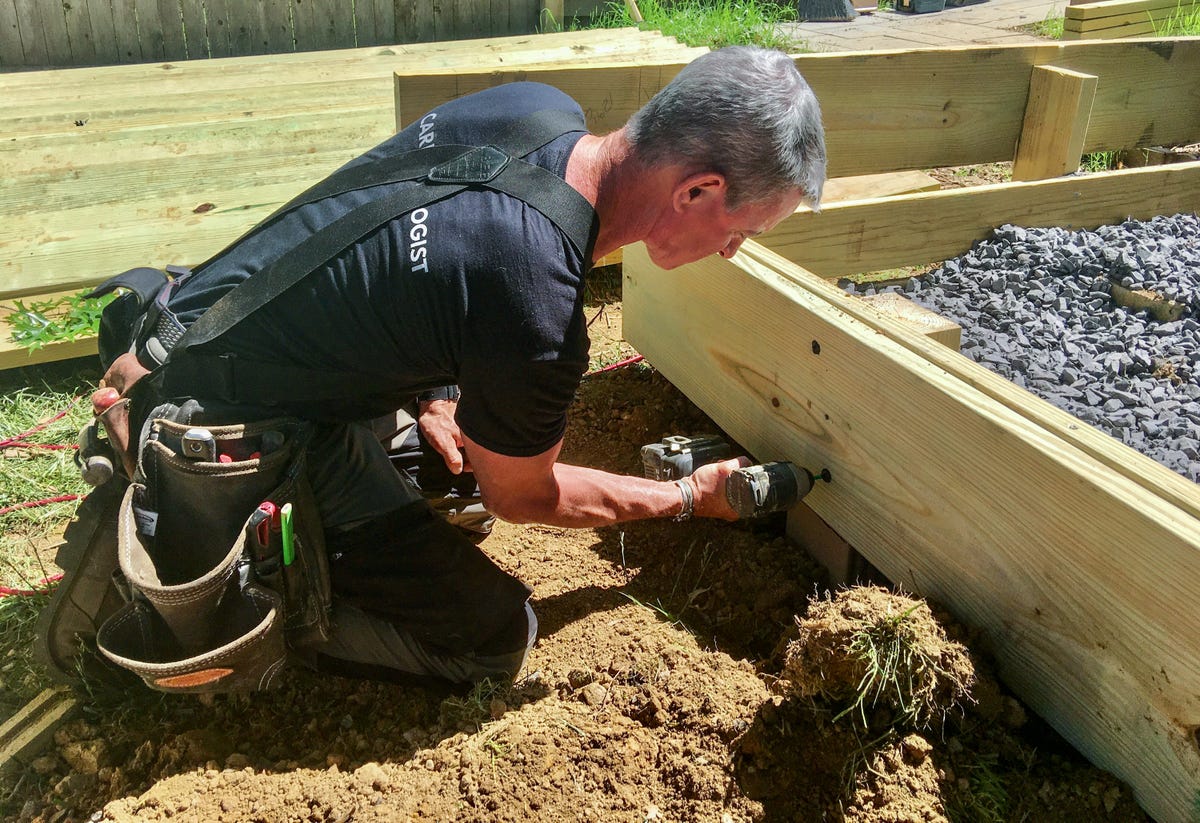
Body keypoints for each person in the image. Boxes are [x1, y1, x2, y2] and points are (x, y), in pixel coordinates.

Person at [77, 45, 826, 688]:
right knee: (500, 636)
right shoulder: (537, 301)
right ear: (697, 190)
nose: (734, 250)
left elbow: (403, 214)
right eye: (744, 230)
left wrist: (438, 390)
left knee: (454, 482)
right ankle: (255, 604)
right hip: (226, 435)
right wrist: (688, 496)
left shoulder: (536, 109)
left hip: (177, 330)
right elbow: (524, 495)